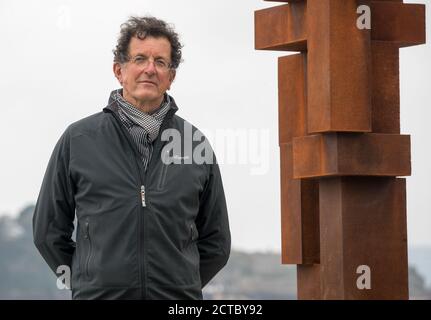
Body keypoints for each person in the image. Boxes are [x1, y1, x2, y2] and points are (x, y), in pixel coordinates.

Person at [32, 16, 231, 300]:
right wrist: (87, 282)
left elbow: (218, 243)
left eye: (160, 62)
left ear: (171, 77)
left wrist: (179, 287)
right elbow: (47, 232)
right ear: (119, 71)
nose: (150, 69)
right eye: (140, 59)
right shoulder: (78, 140)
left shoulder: (194, 144)